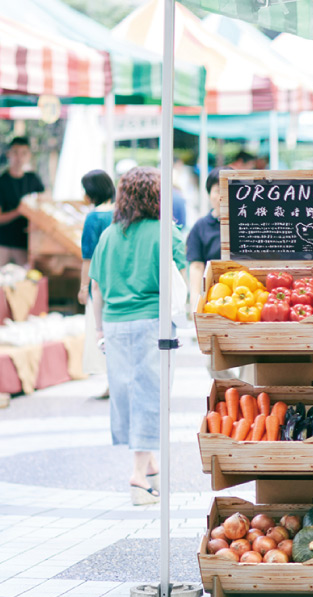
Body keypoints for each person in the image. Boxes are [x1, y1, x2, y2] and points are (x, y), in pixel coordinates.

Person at [89, 167, 188, 506]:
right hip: (152, 323)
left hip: (114, 324)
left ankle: (151, 468)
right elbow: (181, 280)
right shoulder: (164, 233)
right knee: (152, 396)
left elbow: (96, 286)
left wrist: (100, 328)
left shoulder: (109, 235)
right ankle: (136, 475)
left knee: (126, 395)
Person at [78, 170, 115, 399]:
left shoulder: (93, 218)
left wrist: (83, 286)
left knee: (101, 331)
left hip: (98, 283)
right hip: (118, 281)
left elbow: (87, 257)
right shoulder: (119, 213)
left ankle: (112, 383)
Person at [0, 137, 46, 267]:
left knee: (25, 284)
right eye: (15, 152)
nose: (19, 157)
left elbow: (44, 201)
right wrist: (20, 211)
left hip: (26, 244)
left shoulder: (33, 179)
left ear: (29, 156)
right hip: (3, 244)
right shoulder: (2, 182)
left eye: (23, 153)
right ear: (8, 154)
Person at [186, 168, 224, 316]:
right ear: (209, 195)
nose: (222, 196)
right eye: (217, 190)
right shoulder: (200, 227)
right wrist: (196, 301)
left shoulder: (248, 225)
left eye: (228, 190)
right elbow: (196, 266)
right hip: (212, 301)